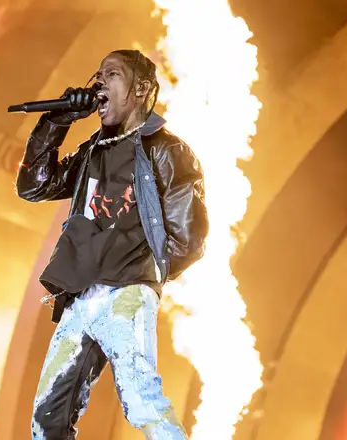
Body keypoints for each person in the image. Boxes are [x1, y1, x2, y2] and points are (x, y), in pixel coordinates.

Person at [16, 49, 209, 440]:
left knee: (141, 403)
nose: (99, 82)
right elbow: (34, 185)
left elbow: (188, 237)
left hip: (126, 294)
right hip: (81, 297)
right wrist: (57, 120)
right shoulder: (91, 152)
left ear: (140, 89)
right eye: (98, 74)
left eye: (112, 74)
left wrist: (138, 274)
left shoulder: (165, 150)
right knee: (47, 419)